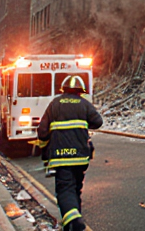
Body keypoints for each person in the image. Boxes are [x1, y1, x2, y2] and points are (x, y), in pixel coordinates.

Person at [35, 75, 103, 231]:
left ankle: (74, 221)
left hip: (60, 157)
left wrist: (44, 150)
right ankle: (73, 219)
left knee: (65, 189)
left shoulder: (55, 104)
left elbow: (42, 132)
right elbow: (98, 122)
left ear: (63, 90)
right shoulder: (84, 104)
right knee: (76, 187)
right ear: (80, 92)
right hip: (80, 157)